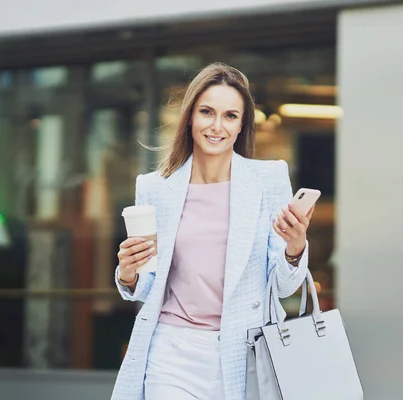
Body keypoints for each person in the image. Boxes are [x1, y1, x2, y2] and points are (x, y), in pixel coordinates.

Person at [110, 62, 314, 400]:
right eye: (207, 112)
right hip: (171, 351)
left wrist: (295, 249)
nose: (217, 126)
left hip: (243, 350)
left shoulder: (269, 179)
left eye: (230, 116)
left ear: (241, 125)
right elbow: (148, 286)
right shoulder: (154, 188)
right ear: (190, 116)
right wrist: (129, 273)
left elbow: (282, 287)